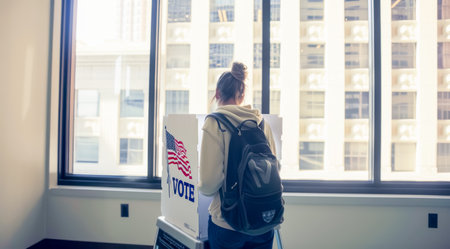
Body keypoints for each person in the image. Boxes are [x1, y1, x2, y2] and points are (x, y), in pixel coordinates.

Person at [199, 62, 277, 249]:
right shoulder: (261, 122)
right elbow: (274, 168)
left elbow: (209, 183)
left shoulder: (215, 123)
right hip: (264, 221)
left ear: (217, 93)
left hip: (228, 223)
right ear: (242, 94)